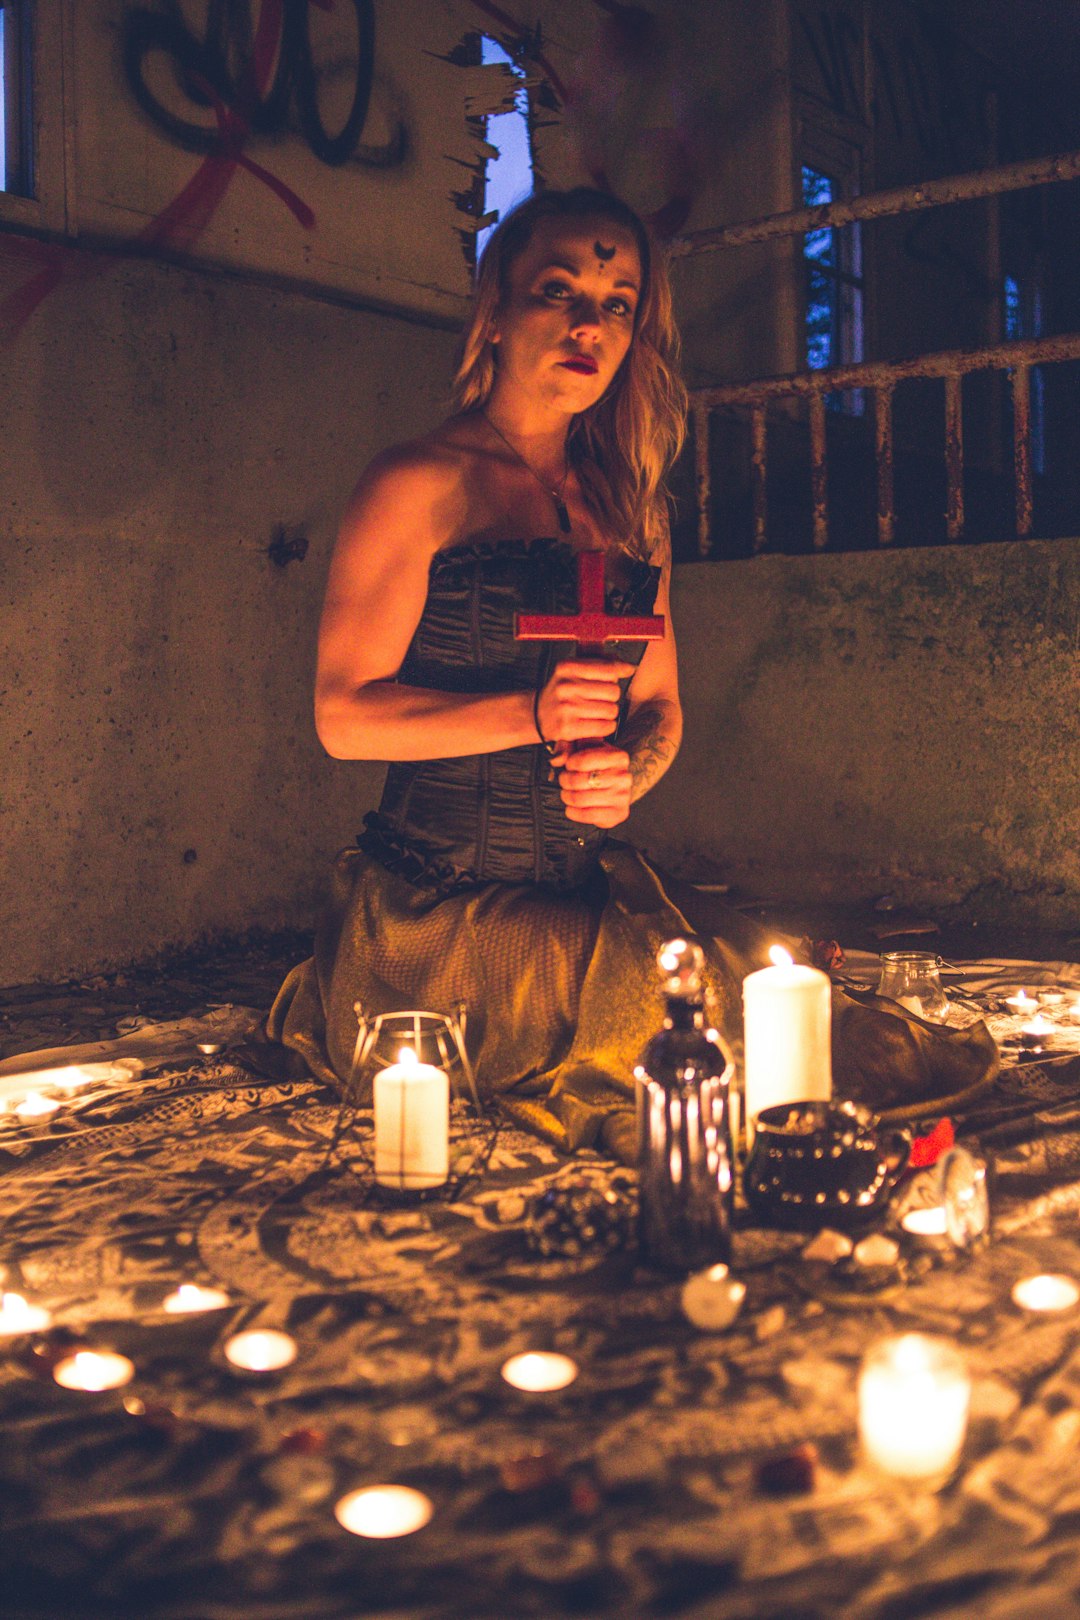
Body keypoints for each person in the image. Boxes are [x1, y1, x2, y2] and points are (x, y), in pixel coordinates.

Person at [266, 187, 996, 1160]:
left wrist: (630, 773)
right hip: (431, 910)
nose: (588, 324)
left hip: (579, 882)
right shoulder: (419, 482)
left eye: (616, 303)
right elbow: (344, 719)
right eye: (557, 290)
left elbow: (658, 708)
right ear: (496, 311)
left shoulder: (626, 508)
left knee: (768, 991)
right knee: (678, 1027)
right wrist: (529, 713)